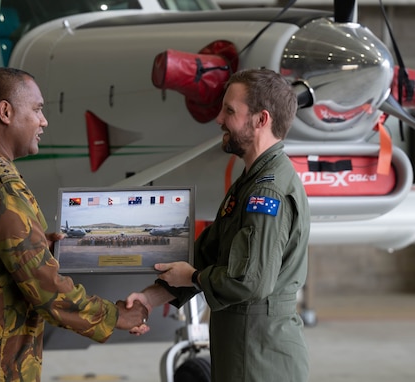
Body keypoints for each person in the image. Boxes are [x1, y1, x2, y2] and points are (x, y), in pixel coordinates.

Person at [0, 67, 148, 382]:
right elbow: (46, 289)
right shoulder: (0, 187)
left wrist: (36, 246)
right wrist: (117, 316)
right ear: (6, 111)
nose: (44, 121)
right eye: (37, 109)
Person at [127, 68, 310, 381]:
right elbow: (209, 253)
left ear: (261, 120)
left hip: (258, 356)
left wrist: (195, 276)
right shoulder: (250, 182)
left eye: (230, 111)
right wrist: (150, 298)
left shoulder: (267, 190)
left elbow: (250, 281)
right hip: (242, 346)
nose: (219, 119)